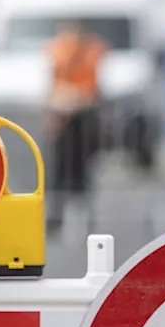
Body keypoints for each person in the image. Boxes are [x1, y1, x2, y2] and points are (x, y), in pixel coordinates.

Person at [44, 20, 107, 236]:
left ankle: (82, 215)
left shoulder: (92, 50)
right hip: (63, 116)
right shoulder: (57, 49)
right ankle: (57, 214)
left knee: (81, 169)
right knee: (60, 169)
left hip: (83, 117)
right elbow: (53, 82)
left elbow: (93, 86)